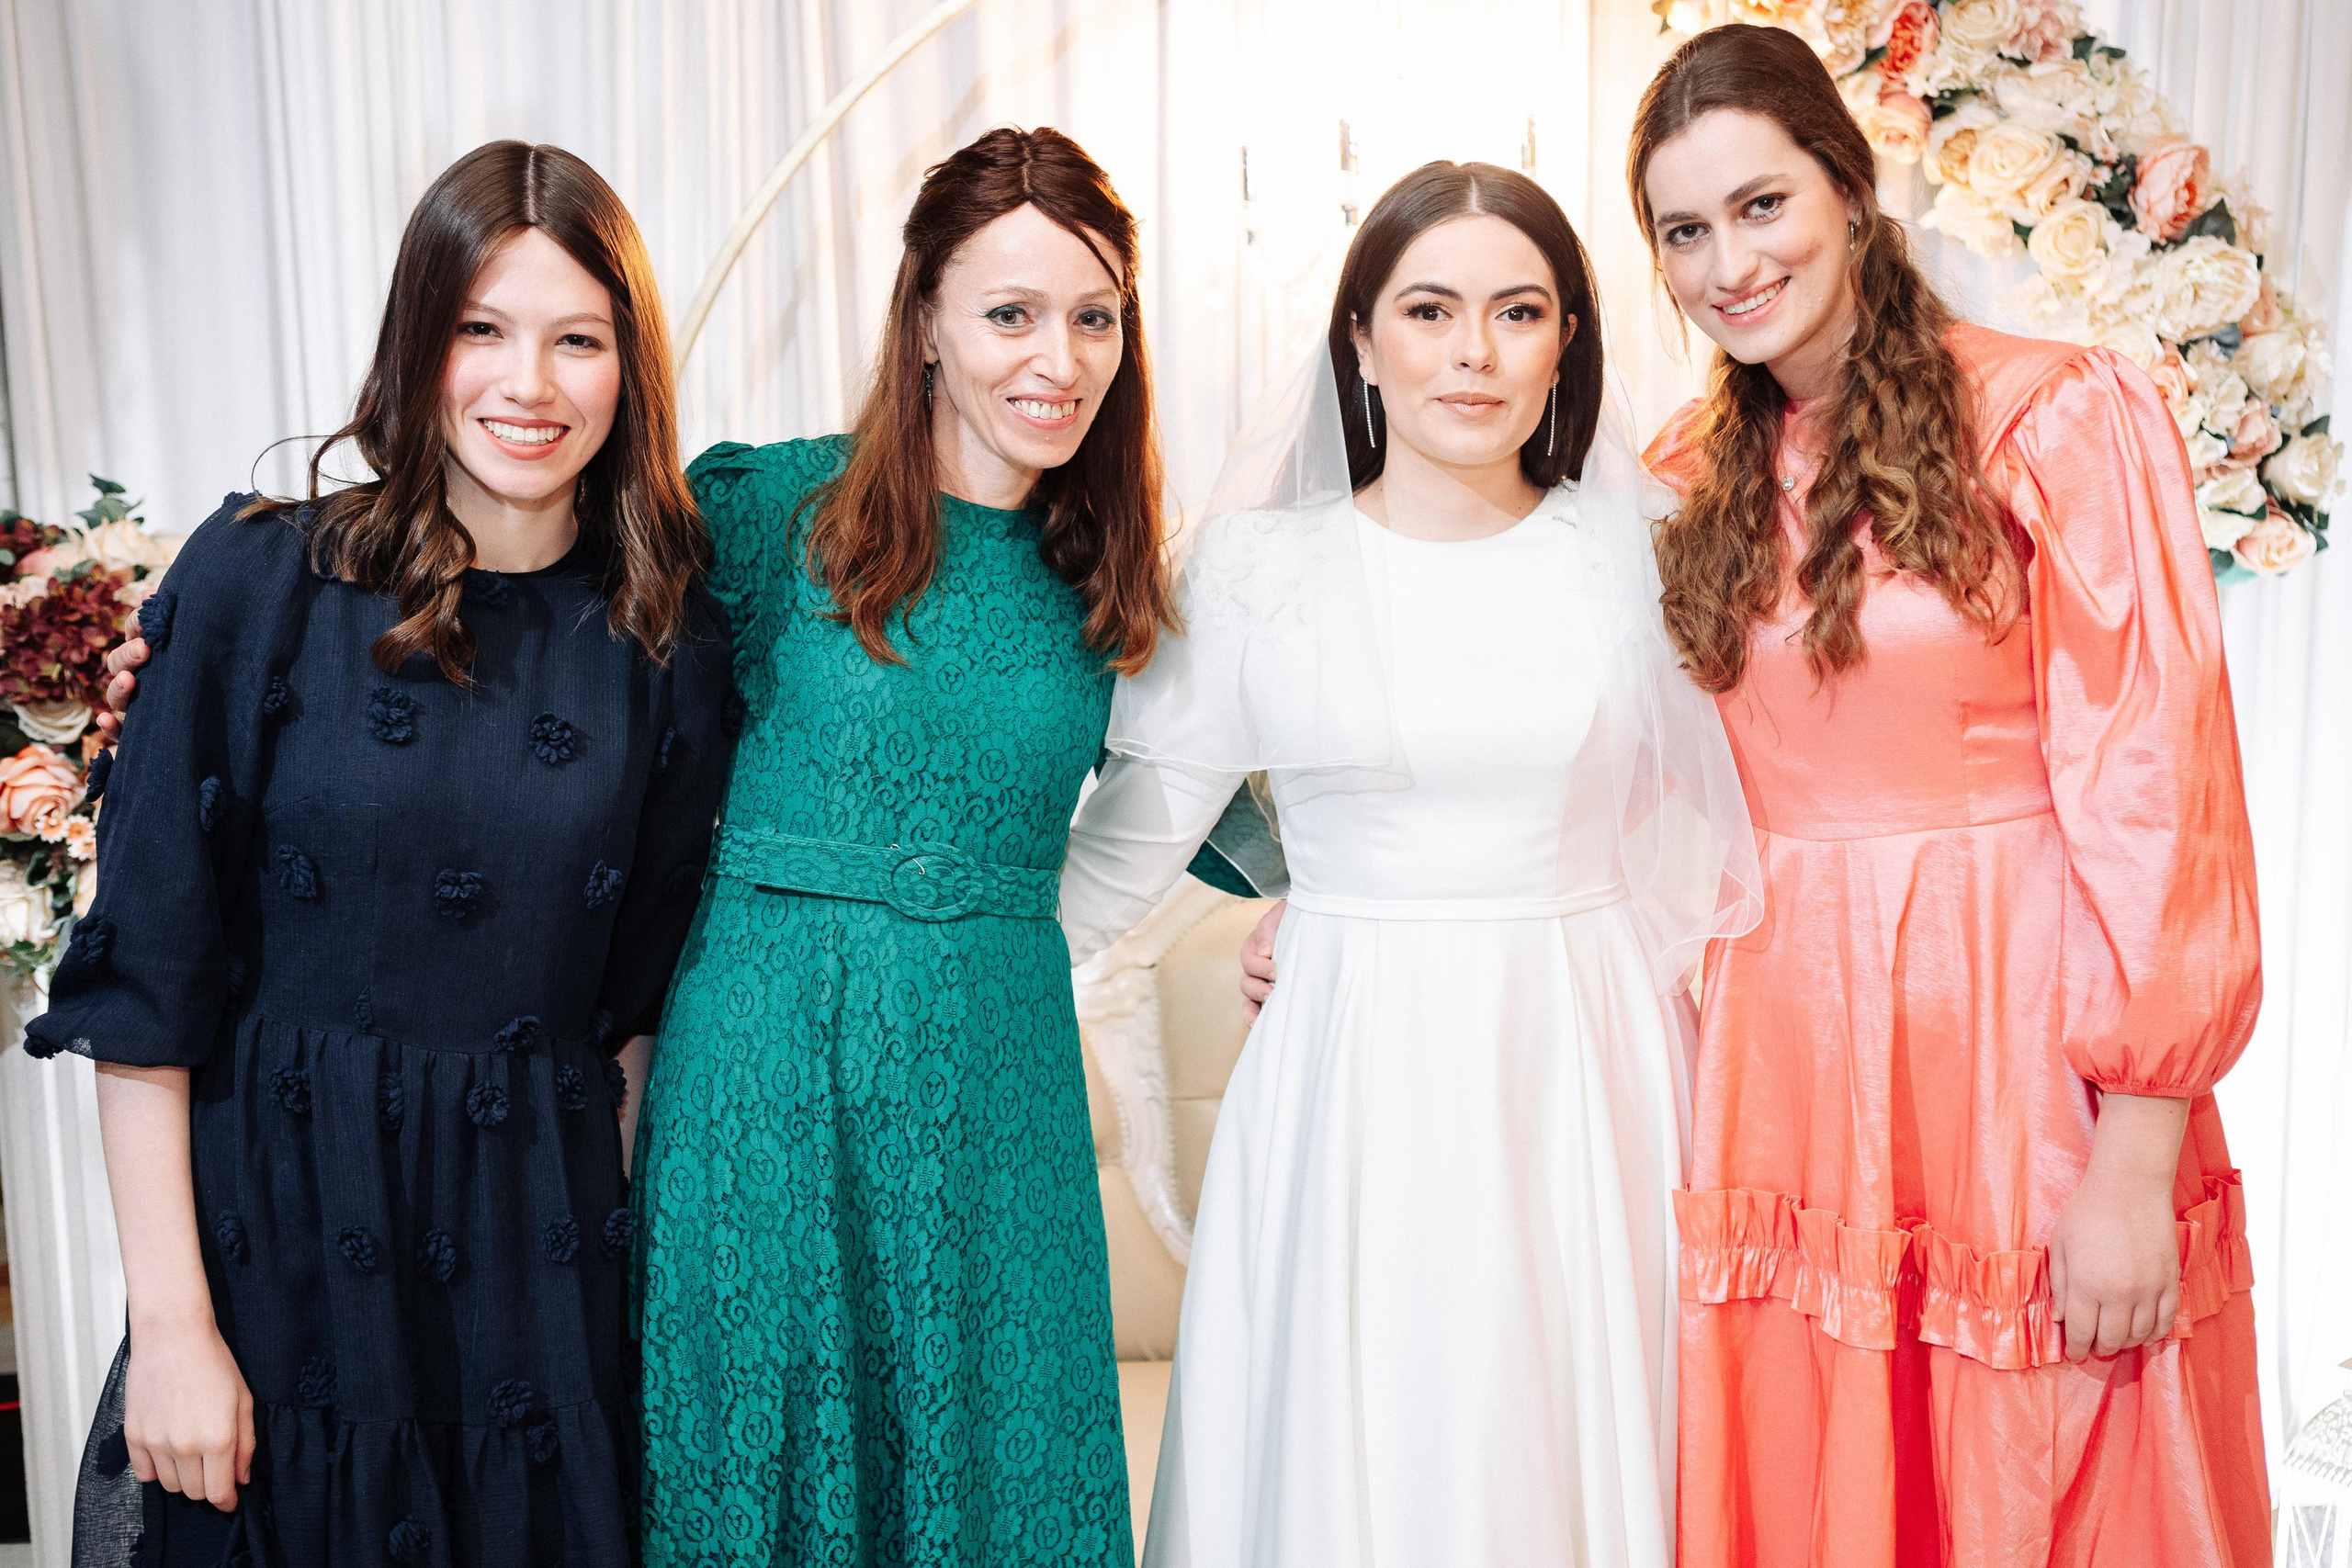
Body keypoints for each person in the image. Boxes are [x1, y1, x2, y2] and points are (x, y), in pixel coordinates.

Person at [35, 141, 732, 1567]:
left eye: (577, 340)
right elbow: (148, 988)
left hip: (537, 1276)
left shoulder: (668, 634)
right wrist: (170, 1327)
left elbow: (634, 1024)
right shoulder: (261, 579)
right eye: (482, 328)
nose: (528, 384)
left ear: (631, 367)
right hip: (279, 1255)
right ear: (419, 340)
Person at [1060, 162, 1759, 1567]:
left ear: (1567, 342)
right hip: (1349, 1057)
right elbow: (1128, 851)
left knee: (1565, 1424)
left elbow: (1737, 815)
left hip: (1585, 1052)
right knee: (1357, 1426)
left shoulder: (1643, 554)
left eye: (1519, 311)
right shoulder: (1250, 574)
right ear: (1362, 341)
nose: (1474, 352)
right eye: (1430, 310)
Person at [1628, 26, 2266, 1566]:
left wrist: (2135, 1161)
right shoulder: (1680, 474)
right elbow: (1608, 772)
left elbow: (2159, 793)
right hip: (1783, 1062)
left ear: (1851, 190)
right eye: (1684, 230)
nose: (1729, 264)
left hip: (2019, 1058)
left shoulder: (2057, 416)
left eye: (1762, 205)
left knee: (2048, 1470)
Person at [628, 127, 1173, 1566]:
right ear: (925, 320)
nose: (1059, 357)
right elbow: (560, 672)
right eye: (1012, 313)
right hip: (767, 1079)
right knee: (767, 1464)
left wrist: (1305, 905)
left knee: (995, 1476)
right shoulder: (767, 513)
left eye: (1095, 317)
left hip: (997, 1092)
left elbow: (1248, 803)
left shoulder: (1113, 579)